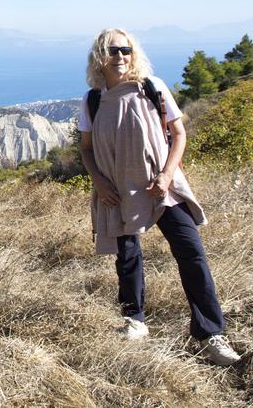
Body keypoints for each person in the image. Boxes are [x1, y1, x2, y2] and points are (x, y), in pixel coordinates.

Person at [77, 28, 241, 366]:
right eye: (111, 50)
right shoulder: (93, 99)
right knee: (127, 256)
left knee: (191, 252)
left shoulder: (153, 87)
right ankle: (134, 320)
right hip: (117, 189)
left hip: (161, 186)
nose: (119, 56)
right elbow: (86, 150)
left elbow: (178, 134)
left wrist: (167, 175)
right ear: (99, 56)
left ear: (132, 53)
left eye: (125, 50)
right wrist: (100, 182)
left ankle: (211, 333)